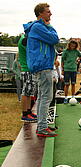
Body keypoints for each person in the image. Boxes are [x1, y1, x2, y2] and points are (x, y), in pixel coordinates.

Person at [24, 3, 59, 137]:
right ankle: (42, 127)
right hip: (43, 65)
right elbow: (54, 39)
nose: (50, 14)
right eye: (48, 11)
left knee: (42, 97)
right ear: (40, 14)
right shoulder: (39, 27)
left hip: (41, 65)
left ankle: (41, 125)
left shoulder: (38, 27)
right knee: (46, 97)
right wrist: (49, 25)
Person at [19, 33, 38, 122]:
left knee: (29, 92)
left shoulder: (25, 38)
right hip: (27, 69)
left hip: (29, 69)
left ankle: (28, 111)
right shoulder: (25, 40)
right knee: (26, 92)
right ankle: (25, 113)